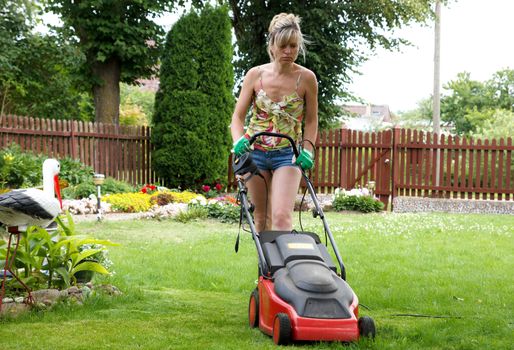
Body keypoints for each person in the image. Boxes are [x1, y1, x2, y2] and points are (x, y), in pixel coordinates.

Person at [231, 13, 318, 232]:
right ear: (272, 45)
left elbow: (311, 119)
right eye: (283, 46)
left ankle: (284, 267)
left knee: (280, 217)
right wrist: (238, 141)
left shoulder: (307, 78)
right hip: (255, 154)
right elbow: (237, 117)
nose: (289, 52)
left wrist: (307, 150)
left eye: (293, 46)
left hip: (287, 155)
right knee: (261, 218)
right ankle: (266, 268)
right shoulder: (255, 75)